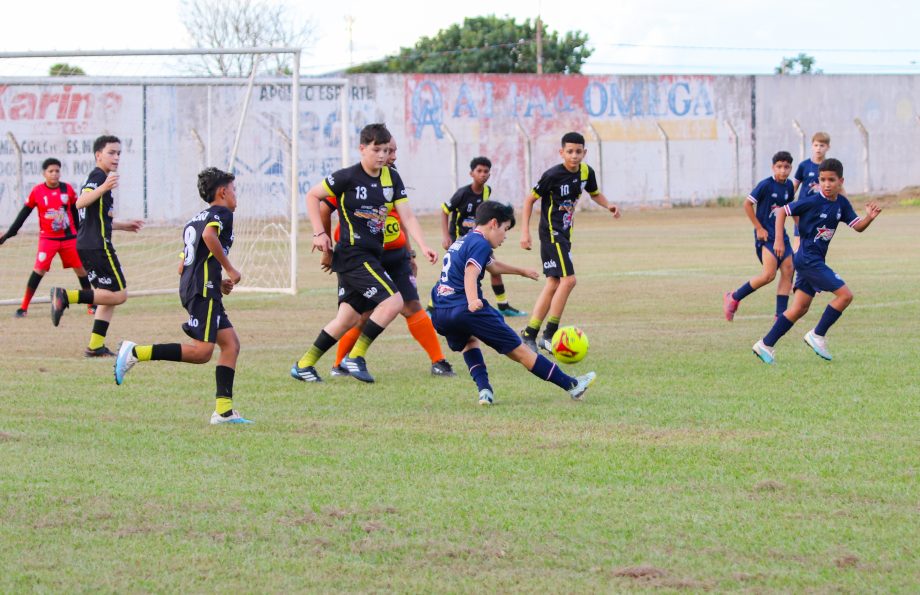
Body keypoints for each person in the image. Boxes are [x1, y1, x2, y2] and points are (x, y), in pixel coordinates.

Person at [291, 123, 437, 384]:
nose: (382, 155)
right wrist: (318, 233)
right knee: (393, 302)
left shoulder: (392, 178)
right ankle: (355, 356)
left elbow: (407, 215)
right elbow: (313, 196)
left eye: (386, 150)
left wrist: (423, 245)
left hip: (372, 254)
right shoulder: (347, 177)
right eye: (376, 150)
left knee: (347, 318)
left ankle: (304, 365)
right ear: (362, 149)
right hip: (353, 255)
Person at [113, 167, 252, 424]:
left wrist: (215, 278)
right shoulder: (221, 213)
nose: (236, 195)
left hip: (197, 285)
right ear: (222, 192)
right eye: (234, 190)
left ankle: (223, 411)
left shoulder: (195, 219)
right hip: (201, 290)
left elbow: (183, 264)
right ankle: (135, 352)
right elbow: (210, 236)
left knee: (231, 344)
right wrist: (230, 269)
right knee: (202, 353)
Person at [431, 201, 595, 405]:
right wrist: (473, 300)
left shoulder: (464, 240)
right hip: (466, 307)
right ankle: (572, 385)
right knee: (521, 351)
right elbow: (471, 272)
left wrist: (522, 271)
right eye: (505, 229)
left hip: (442, 311)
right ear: (493, 223)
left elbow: (491, 266)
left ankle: (485, 391)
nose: (505, 236)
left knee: (469, 341)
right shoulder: (481, 243)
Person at [318, 137, 456, 378]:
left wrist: (410, 252)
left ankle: (439, 361)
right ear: (370, 150)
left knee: (411, 305)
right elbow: (323, 205)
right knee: (361, 314)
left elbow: (404, 219)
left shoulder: (393, 180)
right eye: (386, 150)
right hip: (363, 255)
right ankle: (340, 364)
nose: (390, 155)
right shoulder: (354, 179)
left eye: (393, 150)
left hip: (396, 256)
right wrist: (327, 245)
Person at [752, 158, 881, 364]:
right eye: (823, 179)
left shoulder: (841, 204)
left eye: (831, 180)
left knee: (800, 308)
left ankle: (765, 344)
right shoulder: (812, 201)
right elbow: (781, 212)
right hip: (807, 259)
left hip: (813, 260)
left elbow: (857, 226)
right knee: (845, 296)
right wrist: (778, 239)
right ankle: (817, 335)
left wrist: (869, 218)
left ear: (841, 181)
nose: (827, 184)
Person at [519, 131, 620, 354]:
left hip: (565, 234)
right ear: (561, 152)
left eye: (578, 152)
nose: (574, 156)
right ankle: (550, 334)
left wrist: (608, 205)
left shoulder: (585, 171)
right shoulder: (552, 175)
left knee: (554, 283)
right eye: (570, 152)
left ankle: (529, 334)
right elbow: (529, 200)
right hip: (552, 233)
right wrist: (524, 232)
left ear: (585, 152)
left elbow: (594, 193)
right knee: (569, 280)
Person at [50, 135, 143, 357]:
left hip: (88, 244)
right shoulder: (98, 176)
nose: (116, 157)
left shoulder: (101, 177)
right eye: (111, 152)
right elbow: (80, 201)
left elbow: (95, 218)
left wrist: (122, 225)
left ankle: (95, 346)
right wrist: (103, 187)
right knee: (119, 295)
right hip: (98, 246)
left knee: (106, 295)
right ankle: (66, 296)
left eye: (119, 153)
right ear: (98, 155)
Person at [0, 157, 93, 317]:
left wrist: (81, 234)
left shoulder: (68, 190)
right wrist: (8, 234)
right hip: (48, 240)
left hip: (69, 238)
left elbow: (76, 214)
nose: (54, 174)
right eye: (51, 171)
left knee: (81, 270)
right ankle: (23, 307)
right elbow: (23, 215)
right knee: (39, 270)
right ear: (44, 173)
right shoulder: (37, 191)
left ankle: (91, 305)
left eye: (57, 171)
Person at [437, 156, 526, 317]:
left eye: (486, 171)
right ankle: (433, 306)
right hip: (461, 239)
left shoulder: (487, 191)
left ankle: (503, 305)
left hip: (481, 238)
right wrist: (446, 236)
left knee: (495, 268)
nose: (483, 174)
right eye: (479, 171)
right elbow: (444, 211)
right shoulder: (462, 194)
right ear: (471, 173)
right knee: (454, 273)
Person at [723, 151, 795, 321]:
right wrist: (759, 228)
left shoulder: (789, 186)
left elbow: (790, 209)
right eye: (779, 167)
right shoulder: (765, 185)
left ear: (790, 168)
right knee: (768, 275)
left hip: (781, 235)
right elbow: (747, 204)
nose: (783, 170)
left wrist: (802, 227)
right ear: (773, 167)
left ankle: (780, 315)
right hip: (765, 237)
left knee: (788, 270)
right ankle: (734, 297)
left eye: (786, 167)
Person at [791, 132, 830, 252]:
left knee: (819, 243)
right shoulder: (804, 166)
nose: (818, 148)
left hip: (822, 211)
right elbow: (794, 186)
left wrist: (845, 205)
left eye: (822, 145)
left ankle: (813, 268)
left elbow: (838, 188)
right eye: (816, 145)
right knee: (799, 241)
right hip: (804, 211)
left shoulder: (830, 167)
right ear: (812, 146)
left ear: (828, 147)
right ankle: (790, 268)